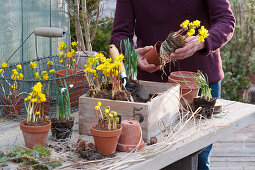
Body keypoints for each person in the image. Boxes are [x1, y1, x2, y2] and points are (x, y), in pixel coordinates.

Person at [110, 0, 235, 169]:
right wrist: (133, 54)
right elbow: (119, 35)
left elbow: (226, 20)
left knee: (199, 159)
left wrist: (202, 41)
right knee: (153, 157)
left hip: (200, 86)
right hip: (153, 89)